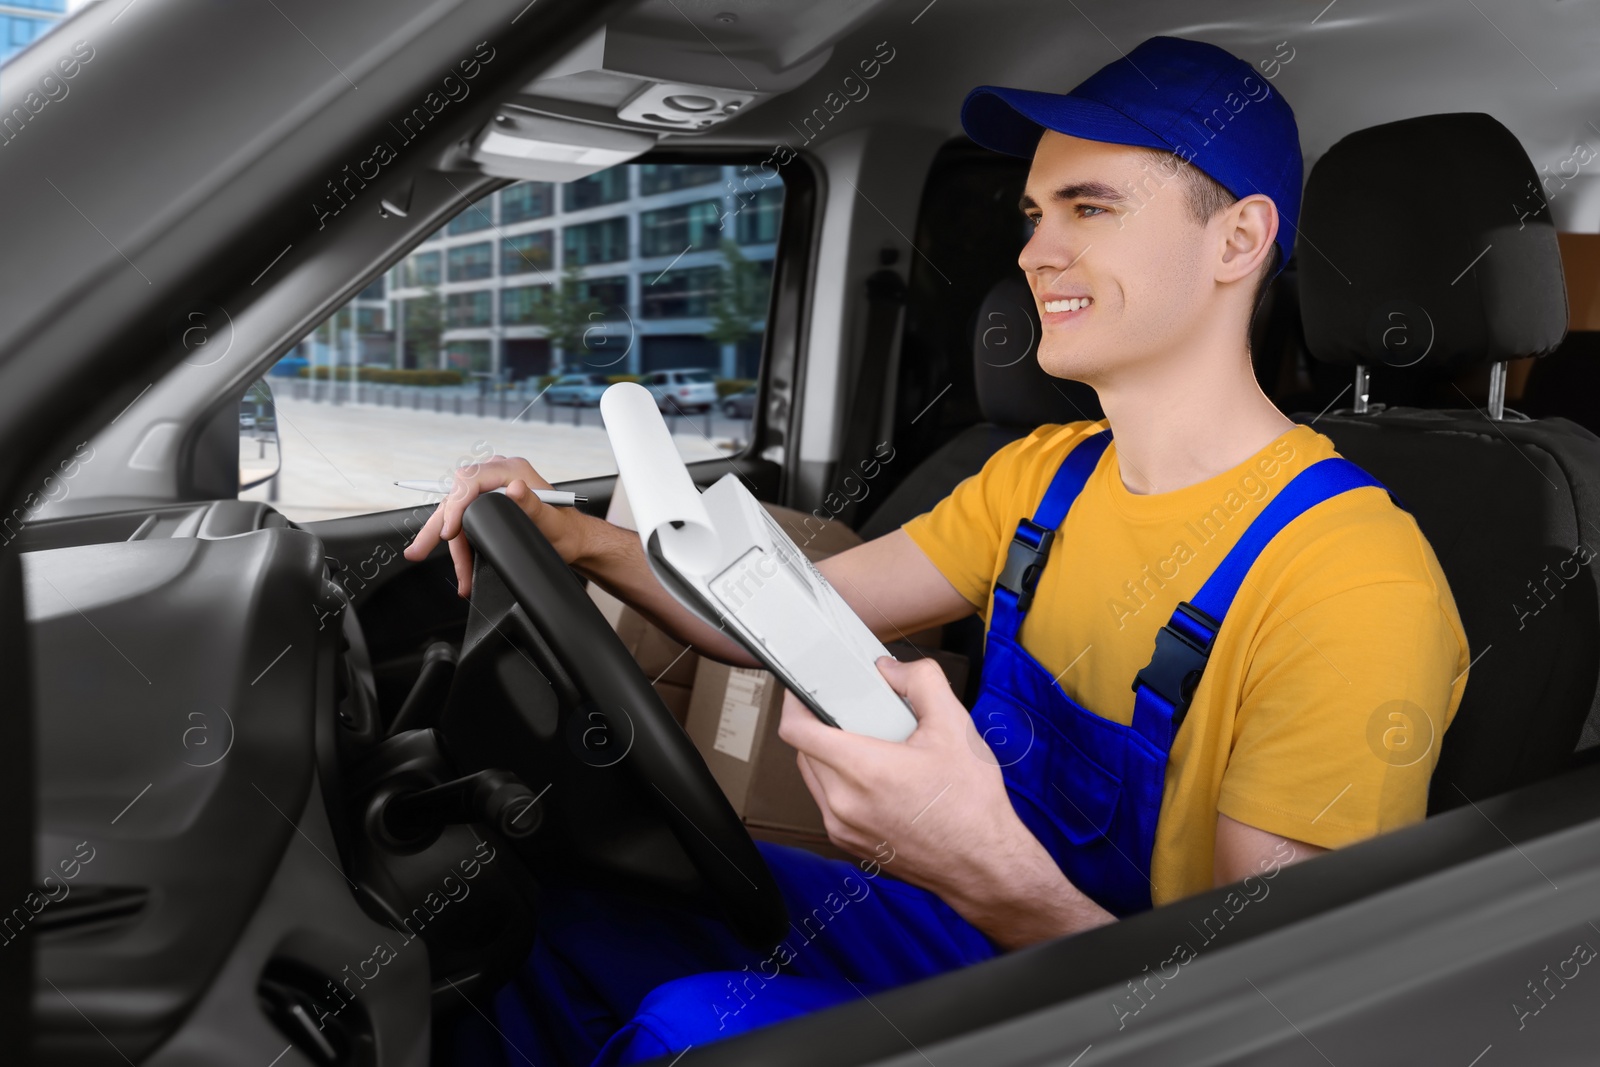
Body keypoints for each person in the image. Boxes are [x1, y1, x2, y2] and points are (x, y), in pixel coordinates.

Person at [407, 35, 1470, 1067]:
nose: (1032, 250)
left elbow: (1255, 1023)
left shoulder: (1352, 584)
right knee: (571, 909)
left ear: (1237, 240)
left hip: (1123, 1011)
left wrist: (993, 872)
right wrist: (575, 536)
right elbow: (787, 614)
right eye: (1034, 212)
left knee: (699, 1025)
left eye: (1089, 207)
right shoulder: (1046, 475)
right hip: (977, 921)